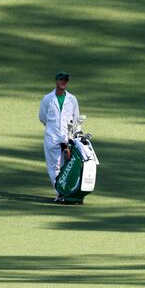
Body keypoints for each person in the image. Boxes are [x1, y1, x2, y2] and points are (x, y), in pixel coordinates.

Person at [38, 71, 80, 203]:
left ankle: (68, 191)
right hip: (52, 137)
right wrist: (53, 128)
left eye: (66, 80)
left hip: (67, 137)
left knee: (67, 165)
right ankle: (60, 193)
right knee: (54, 166)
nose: (63, 82)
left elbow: (76, 118)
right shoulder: (47, 99)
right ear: (56, 81)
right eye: (61, 80)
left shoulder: (72, 99)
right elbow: (42, 117)